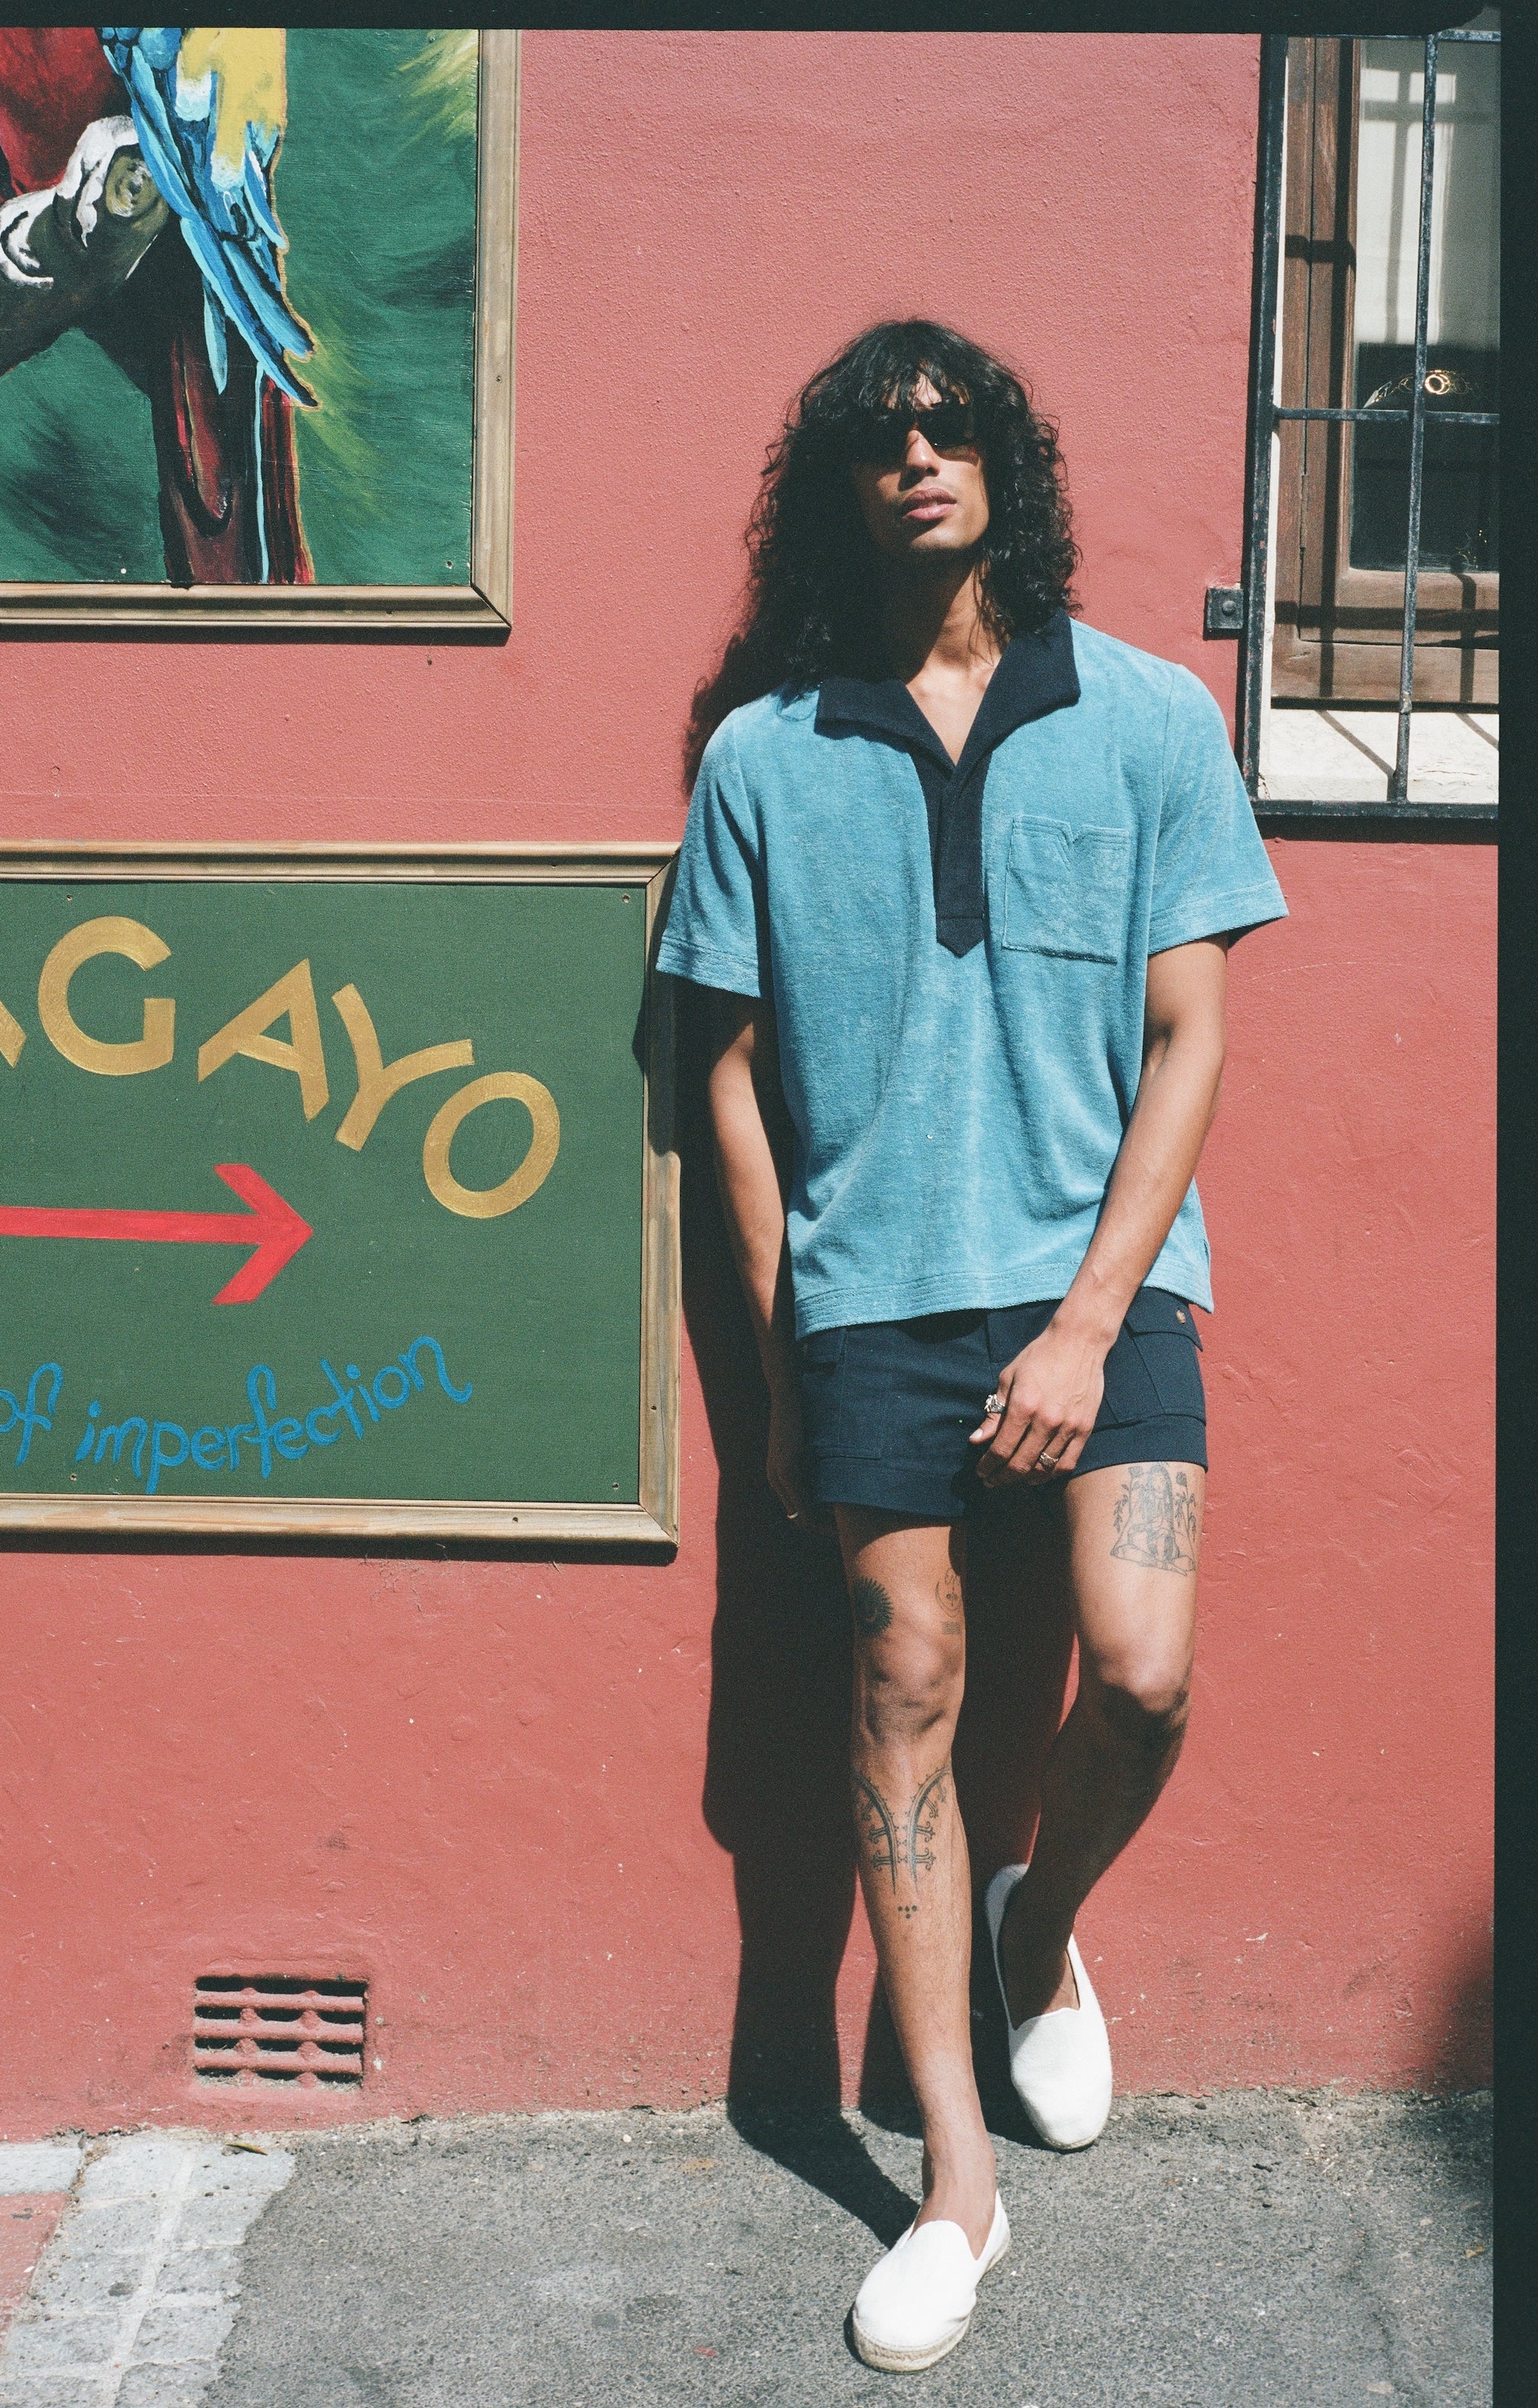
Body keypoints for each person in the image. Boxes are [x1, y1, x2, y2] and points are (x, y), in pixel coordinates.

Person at [658, 319, 1286, 2373]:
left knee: (1148, 1670)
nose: (918, 461)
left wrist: (1095, 1324)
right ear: (840, 489)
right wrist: (778, 1358)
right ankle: (956, 2189)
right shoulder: (763, 754)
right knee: (907, 1687)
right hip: (868, 1305)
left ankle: (1045, 1924)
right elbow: (724, 1079)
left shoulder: (1151, 720)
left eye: (952, 430)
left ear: (1004, 463)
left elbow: (1192, 1035)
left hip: (1106, 1277)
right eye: (879, 440)